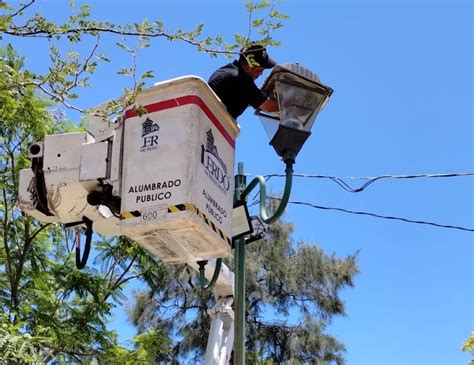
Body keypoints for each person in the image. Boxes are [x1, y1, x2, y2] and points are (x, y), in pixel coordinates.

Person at [208, 44, 279, 119]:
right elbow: (270, 107)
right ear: (249, 67)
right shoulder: (241, 79)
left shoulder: (227, 71)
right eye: (259, 70)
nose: (261, 74)